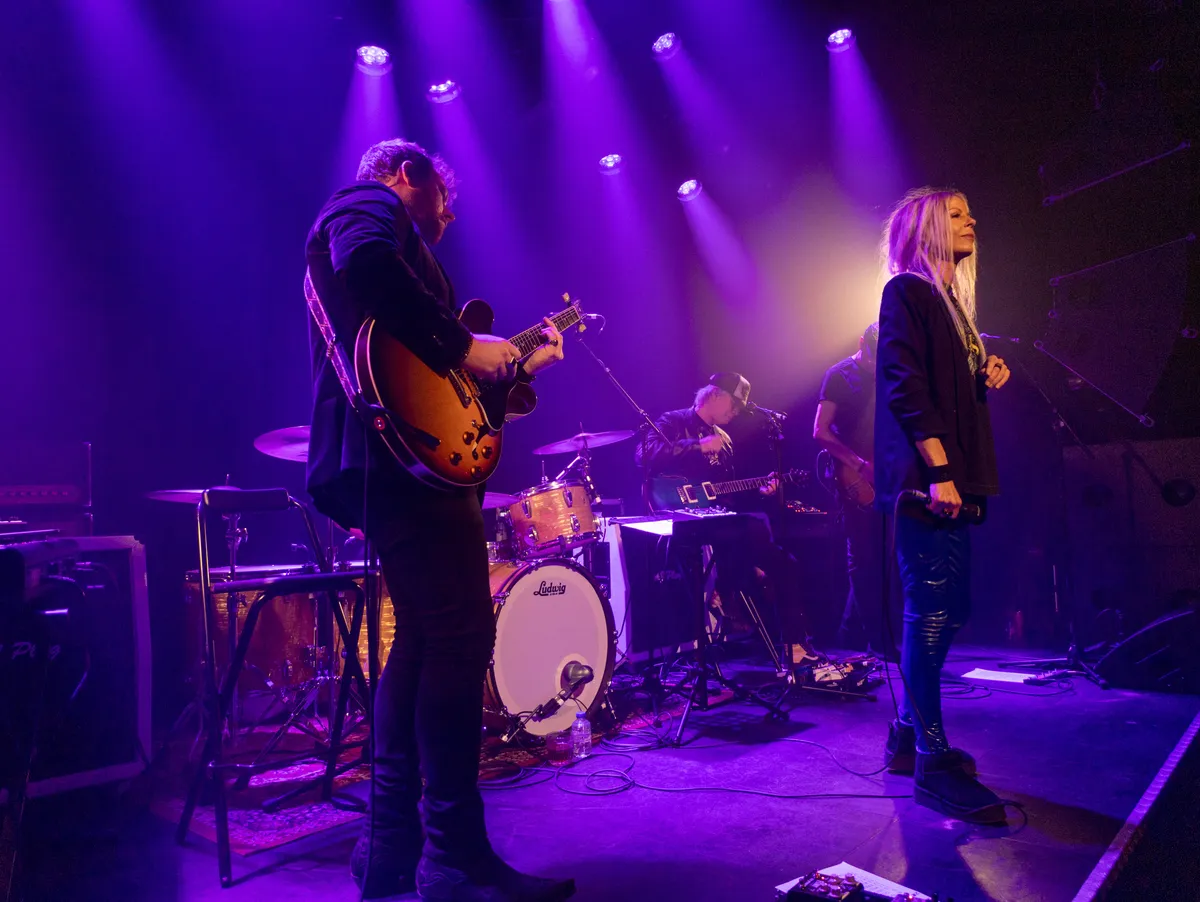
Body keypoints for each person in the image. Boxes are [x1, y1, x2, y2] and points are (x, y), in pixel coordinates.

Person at [305, 139, 575, 901]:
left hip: (397, 456)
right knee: (460, 635)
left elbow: (439, 388)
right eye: (445, 198)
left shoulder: (388, 242)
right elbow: (369, 268)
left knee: (426, 638)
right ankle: (454, 859)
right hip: (399, 460)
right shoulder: (368, 203)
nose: (448, 215)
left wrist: (510, 366)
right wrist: (465, 343)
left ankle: (392, 847)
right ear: (409, 175)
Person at [874, 186, 1011, 823]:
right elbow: (904, 386)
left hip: (951, 477)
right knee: (931, 612)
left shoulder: (952, 304)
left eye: (968, 211)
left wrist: (984, 367)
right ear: (926, 228)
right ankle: (931, 760)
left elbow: (941, 381)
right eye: (956, 214)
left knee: (951, 609)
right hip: (928, 481)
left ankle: (908, 734)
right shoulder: (906, 291)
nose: (971, 219)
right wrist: (940, 471)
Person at [635, 373, 815, 663]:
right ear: (715, 395)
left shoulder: (726, 440)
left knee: (784, 562)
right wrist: (699, 446)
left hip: (716, 520)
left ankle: (794, 646)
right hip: (680, 518)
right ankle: (728, 588)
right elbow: (644, 455)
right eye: (735, 404)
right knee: (755, 532)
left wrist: (761, 491)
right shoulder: (673, 421)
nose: (737, 412)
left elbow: (726, 495)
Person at [814, 323, 897, 656]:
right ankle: (879, 640)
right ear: (862, 342)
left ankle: (849, 635)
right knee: (863, 556)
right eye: (872, 357)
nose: (876, 365)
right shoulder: (839, 375)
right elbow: (820, 430)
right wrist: (859, 465)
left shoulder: (891, 371)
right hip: (854, 473)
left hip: (887, 473)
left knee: (884, 554)